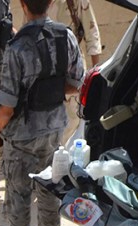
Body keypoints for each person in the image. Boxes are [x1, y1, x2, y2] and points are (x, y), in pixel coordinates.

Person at [0, 0, 85, 226]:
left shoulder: (17, 47)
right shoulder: (67, 36)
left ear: (22, 4)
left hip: (23, 134)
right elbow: (77, 82)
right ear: (52, 3)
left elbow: (8, 105)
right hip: (54, 128)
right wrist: (50, 93)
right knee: (49, 185)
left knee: (18, 194)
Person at [48, 0, 104, 144]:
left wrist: (95, 75)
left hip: (71, 71)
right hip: (45, 71)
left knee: (71, 124)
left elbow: (92, 35)